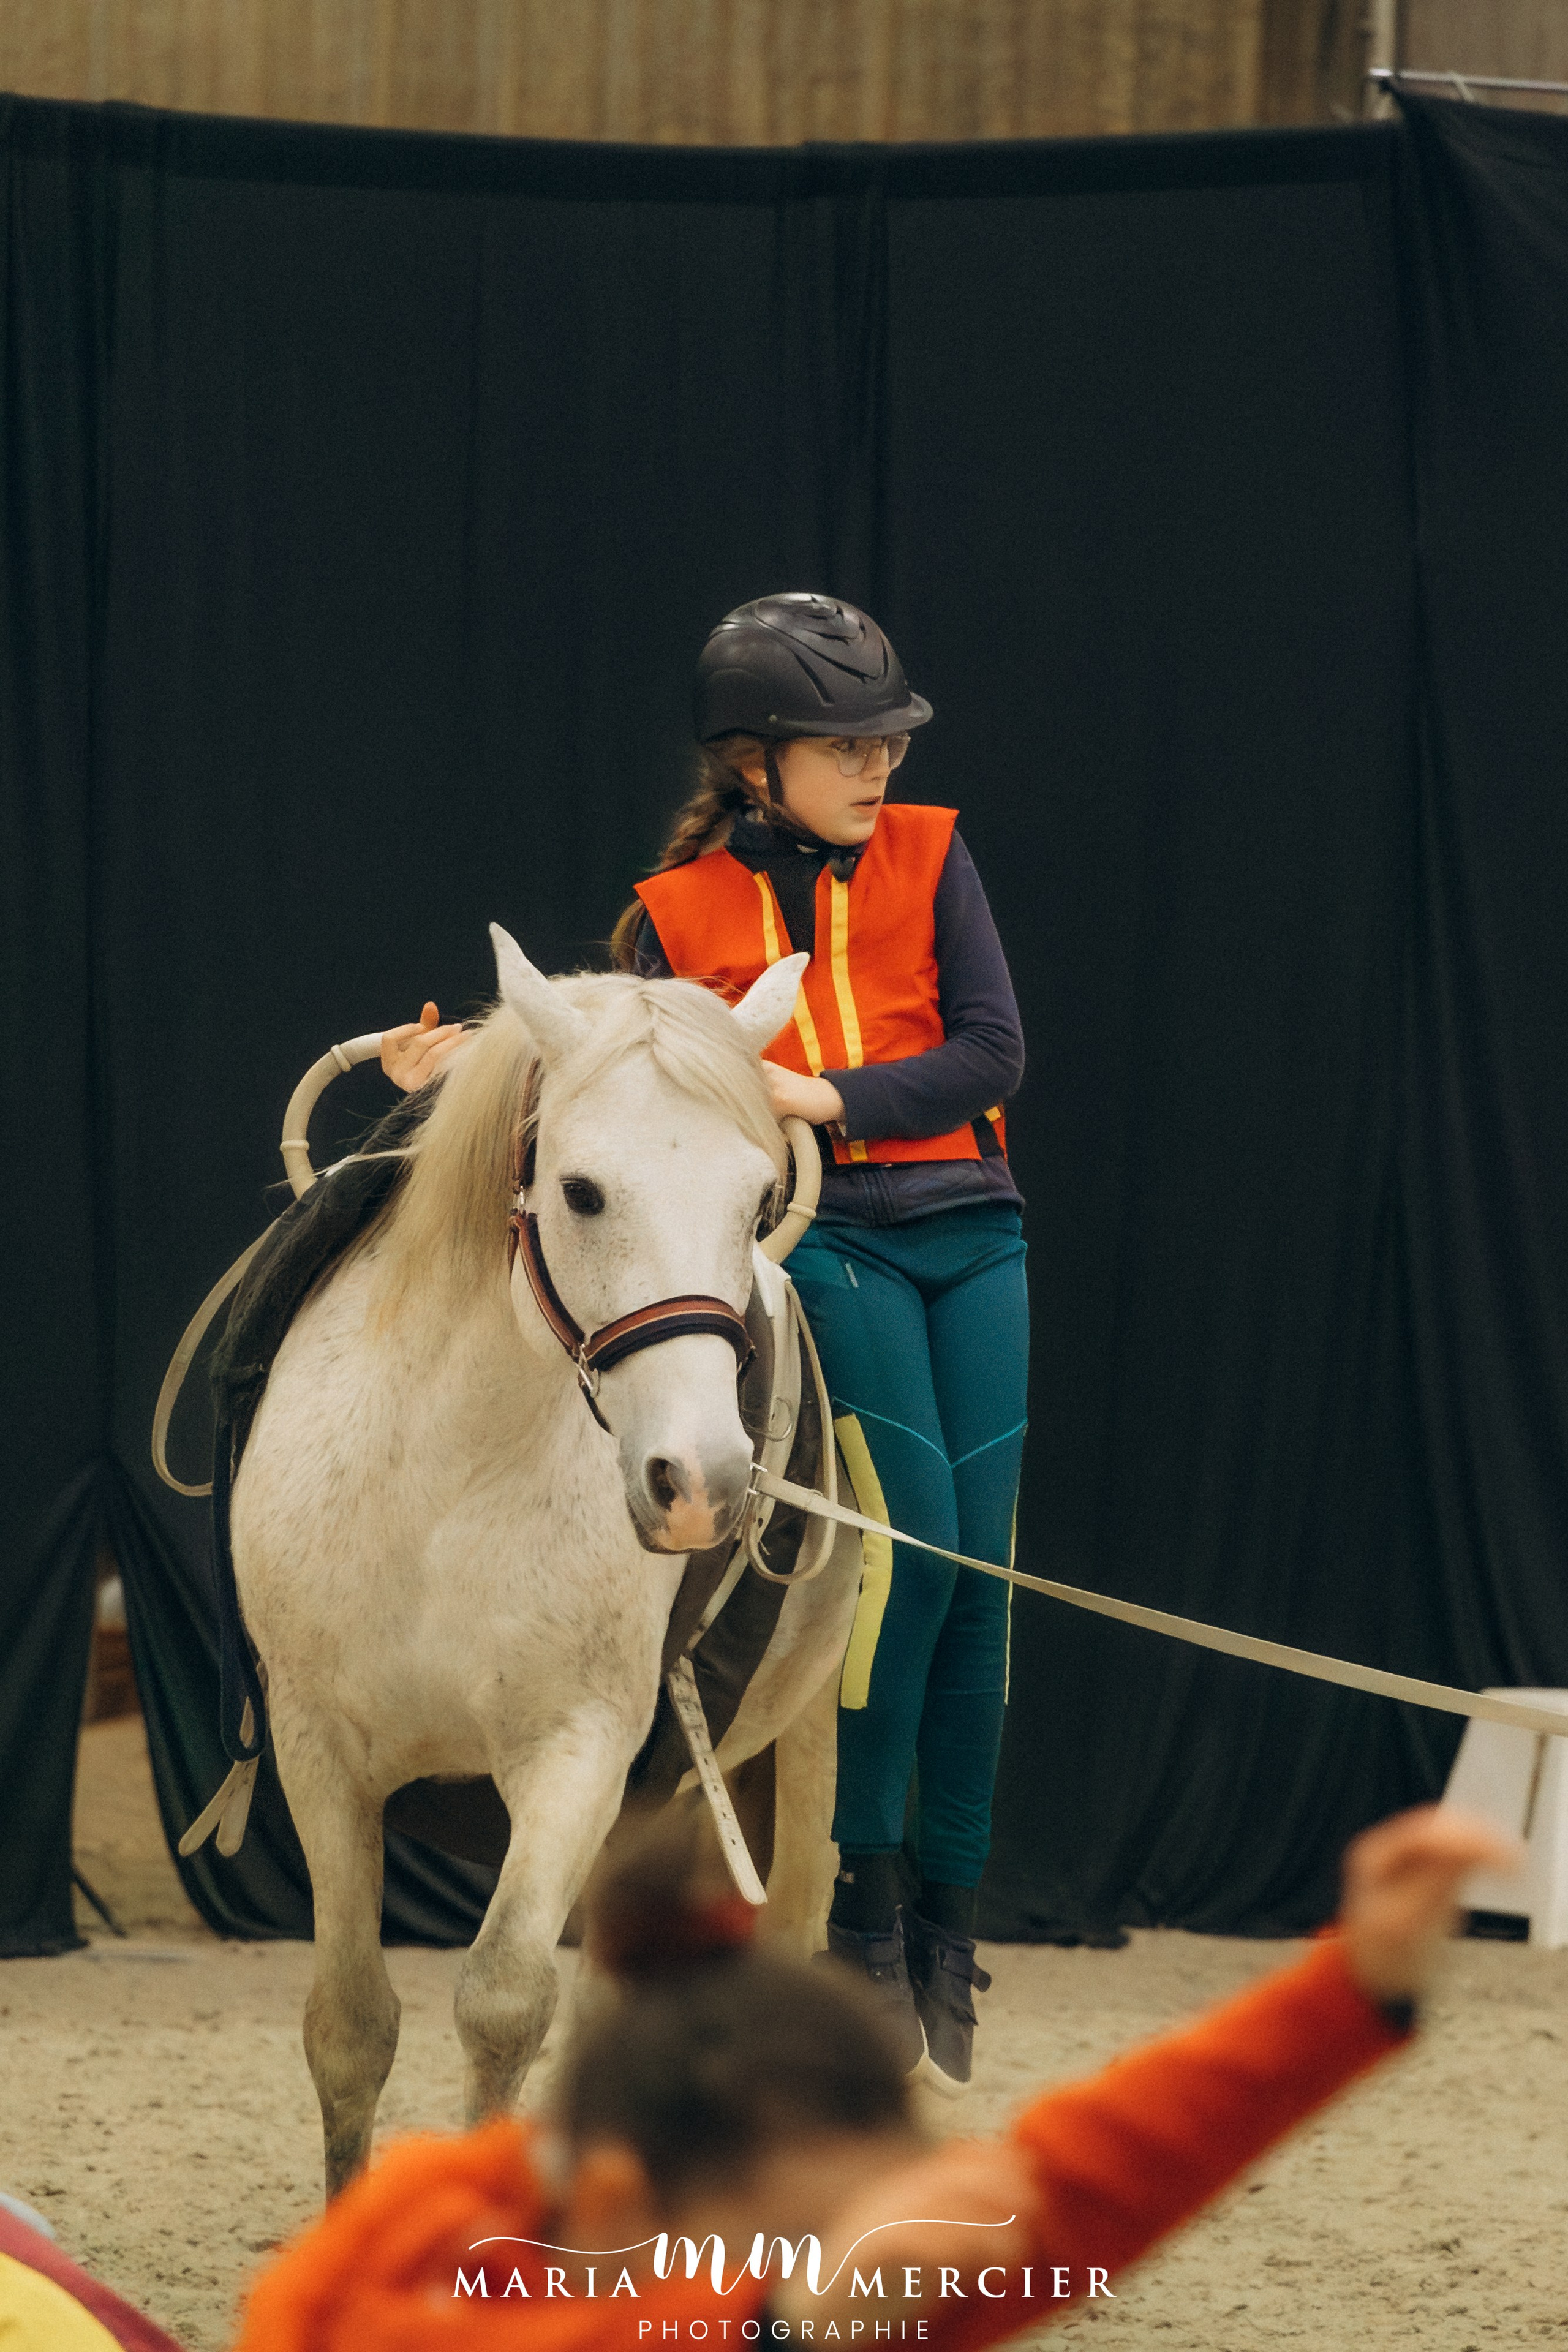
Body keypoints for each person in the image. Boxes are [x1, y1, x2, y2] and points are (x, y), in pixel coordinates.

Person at [382, 593, 1027, 2094]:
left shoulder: (933, 852)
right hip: (836, 1243)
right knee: (911, 1554)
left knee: (980, 1581)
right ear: (757, 767)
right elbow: (604, 1065)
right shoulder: (673, 914)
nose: (877, 766)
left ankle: (944, 1916)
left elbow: (994, 1052)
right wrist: (461, 1061)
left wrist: (830, 1097)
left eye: (886, 741)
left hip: (974, 1223)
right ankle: (865, 1914)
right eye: (844, 745)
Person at [232, 1803, 1517, 2352]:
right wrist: (776, 2329)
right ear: (619, 2210)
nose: (856, 2270)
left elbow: (1082, 2176)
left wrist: (1349, 1989)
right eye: (798, 2244)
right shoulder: (390, 2273)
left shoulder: (845, 2311)